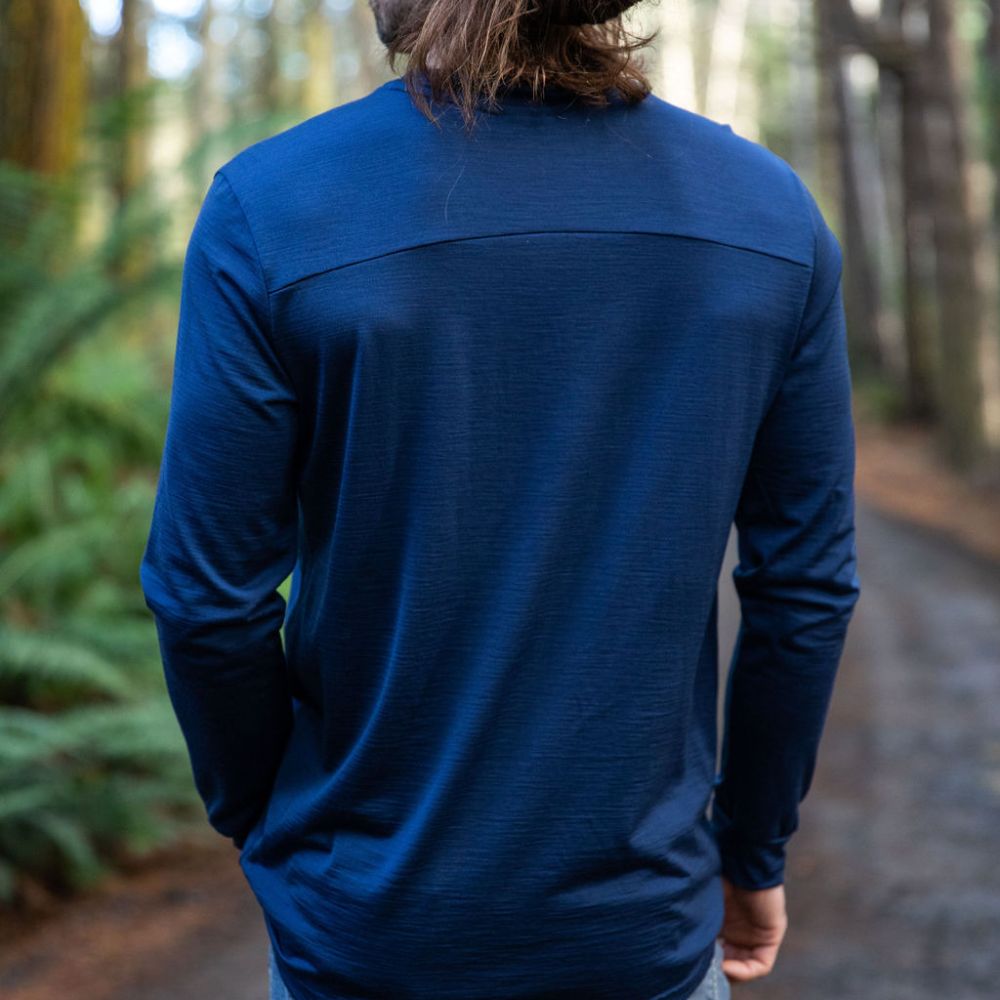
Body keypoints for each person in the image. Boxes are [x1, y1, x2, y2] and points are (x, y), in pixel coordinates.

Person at [138, 0, 862, 997]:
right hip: (639, 935)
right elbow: (805, 589)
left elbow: (204, 598)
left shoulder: (277, 206)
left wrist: (273, 823)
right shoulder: (768, 215)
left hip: (367, 934)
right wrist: (750, 849)